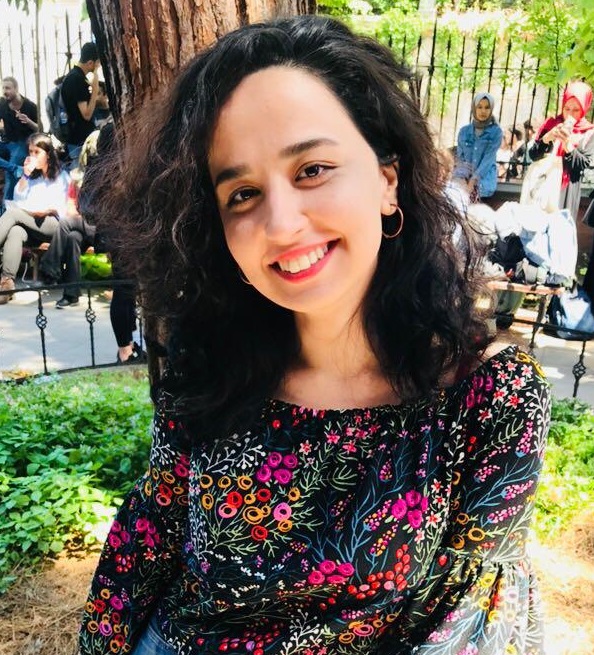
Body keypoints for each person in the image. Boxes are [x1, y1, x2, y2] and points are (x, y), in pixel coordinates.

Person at [79, 17, 550, 655]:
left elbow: (471, 620)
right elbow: (147, 540)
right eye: (242, 193)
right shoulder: (213, 365)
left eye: (312, 169)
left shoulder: (491, 397)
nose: (281, 223)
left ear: (387, 179)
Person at [0, 133, 69, 302]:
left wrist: (46, 210)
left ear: (48, 154)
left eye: (37, 152)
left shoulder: (61, 176)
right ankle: (7, 283)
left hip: (54, 225)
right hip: (31, 224)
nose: (33, 156)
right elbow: (18, 200)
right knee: (16, 231)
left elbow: (63, 208)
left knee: (13, 214)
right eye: (30, 152)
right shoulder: (32, 176)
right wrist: (25, 175)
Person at [529, 81, 594, 222]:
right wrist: (547, 138)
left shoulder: (589, 132)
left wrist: (568, 144)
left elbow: (583, 163)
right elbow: (533, 155)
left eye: (576, 110)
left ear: (584, 109)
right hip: (543, 183)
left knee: (560, 228)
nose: (570, 114)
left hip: (566, 190)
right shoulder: (551, 124)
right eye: (567, 108)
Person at [454, 92, 503, 200]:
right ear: (474, 108)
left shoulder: (496, 132)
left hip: (484, 182)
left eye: (487, 107)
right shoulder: (464, 131)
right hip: (464, 178)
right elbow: (461, 158)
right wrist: (463, 179)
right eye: (479, 107)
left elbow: (488, 159)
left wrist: (474, 180)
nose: (483, 111)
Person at [60, 42, 101, 169]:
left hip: (77, 138)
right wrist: (95, 90)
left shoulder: (75, 76)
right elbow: (86, 114)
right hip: (78, 140)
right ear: (90, 63)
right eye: (97, 64)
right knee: (80, 173)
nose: (98, 67)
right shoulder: (76, 80)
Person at [0, 76, 38, 207]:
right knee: (12, 168)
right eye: (3, 88)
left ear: (16, 89)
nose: (4, 91)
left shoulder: (30, 106)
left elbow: (40, 129)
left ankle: (6, 208)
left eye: (8, 88)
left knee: (10, 176)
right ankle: (15, 168)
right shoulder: (2, 103)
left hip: (22, 143)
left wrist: (28, 121)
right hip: (6, 142)